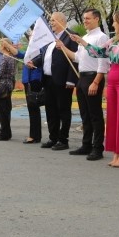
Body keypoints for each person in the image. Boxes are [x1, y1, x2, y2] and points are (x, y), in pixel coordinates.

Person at [66, 9, 119, 168]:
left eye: (115, 21)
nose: (113, 24)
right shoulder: (114, 40)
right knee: (113, 118)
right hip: (112, 80)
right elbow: (99, 53)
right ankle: (116, 152)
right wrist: (82, 42)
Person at [67, 8, 109, 161]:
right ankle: (86, 145)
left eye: (88, 18)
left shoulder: (101, 37)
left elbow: (103, 62)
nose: (85, 21)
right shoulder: (84, 37)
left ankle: (98, 148)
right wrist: (63, 47)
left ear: (96, 19)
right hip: (82, 77)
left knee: (95, 115)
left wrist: (96, 82)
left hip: (93, 77)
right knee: (84, 114)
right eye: (84, 18)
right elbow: (77, 58)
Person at [35, 11, 78, 150]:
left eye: (53, 20)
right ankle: (53, 138)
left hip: (63, 81)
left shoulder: (71, 37)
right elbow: (46, 56)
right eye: (51, 20)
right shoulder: (50, 38)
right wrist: (34, 62)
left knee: (63, 110)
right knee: (50, 110)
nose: (51, 23)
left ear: (62, 21)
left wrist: (71, 80)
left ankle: (63, 140)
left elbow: (75, 60)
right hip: (48, 80)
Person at [13, 32, 44, 144]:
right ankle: (34, 135)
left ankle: (34, 136)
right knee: (32, 109)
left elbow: (39, 59)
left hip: (34, 81)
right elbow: (20, 54)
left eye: (32, 36)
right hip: (28, 81)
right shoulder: (30, 49)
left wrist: (33, 62)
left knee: (33, 108)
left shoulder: (40, 49)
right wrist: (9, 46)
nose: (30, 38)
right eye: (30, 36)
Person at [0, 37, 17, 141]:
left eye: (0, 44)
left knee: (2, 111)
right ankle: (5, 131)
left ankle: (5, 134)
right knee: (6, 110)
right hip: (8, 85)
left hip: (2, 86)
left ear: (3, 46)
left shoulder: (4, 58)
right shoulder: (11, 57)